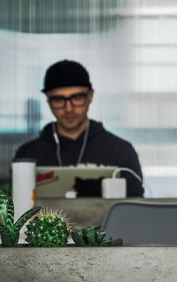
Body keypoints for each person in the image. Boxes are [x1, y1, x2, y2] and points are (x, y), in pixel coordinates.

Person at [14, 59, 144, 197]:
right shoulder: (28, 155)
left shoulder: (121, 151)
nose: (68, 108)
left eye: (77, 98)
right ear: (48, 101)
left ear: (90, 96)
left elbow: (135, 210)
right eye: (58, 100)